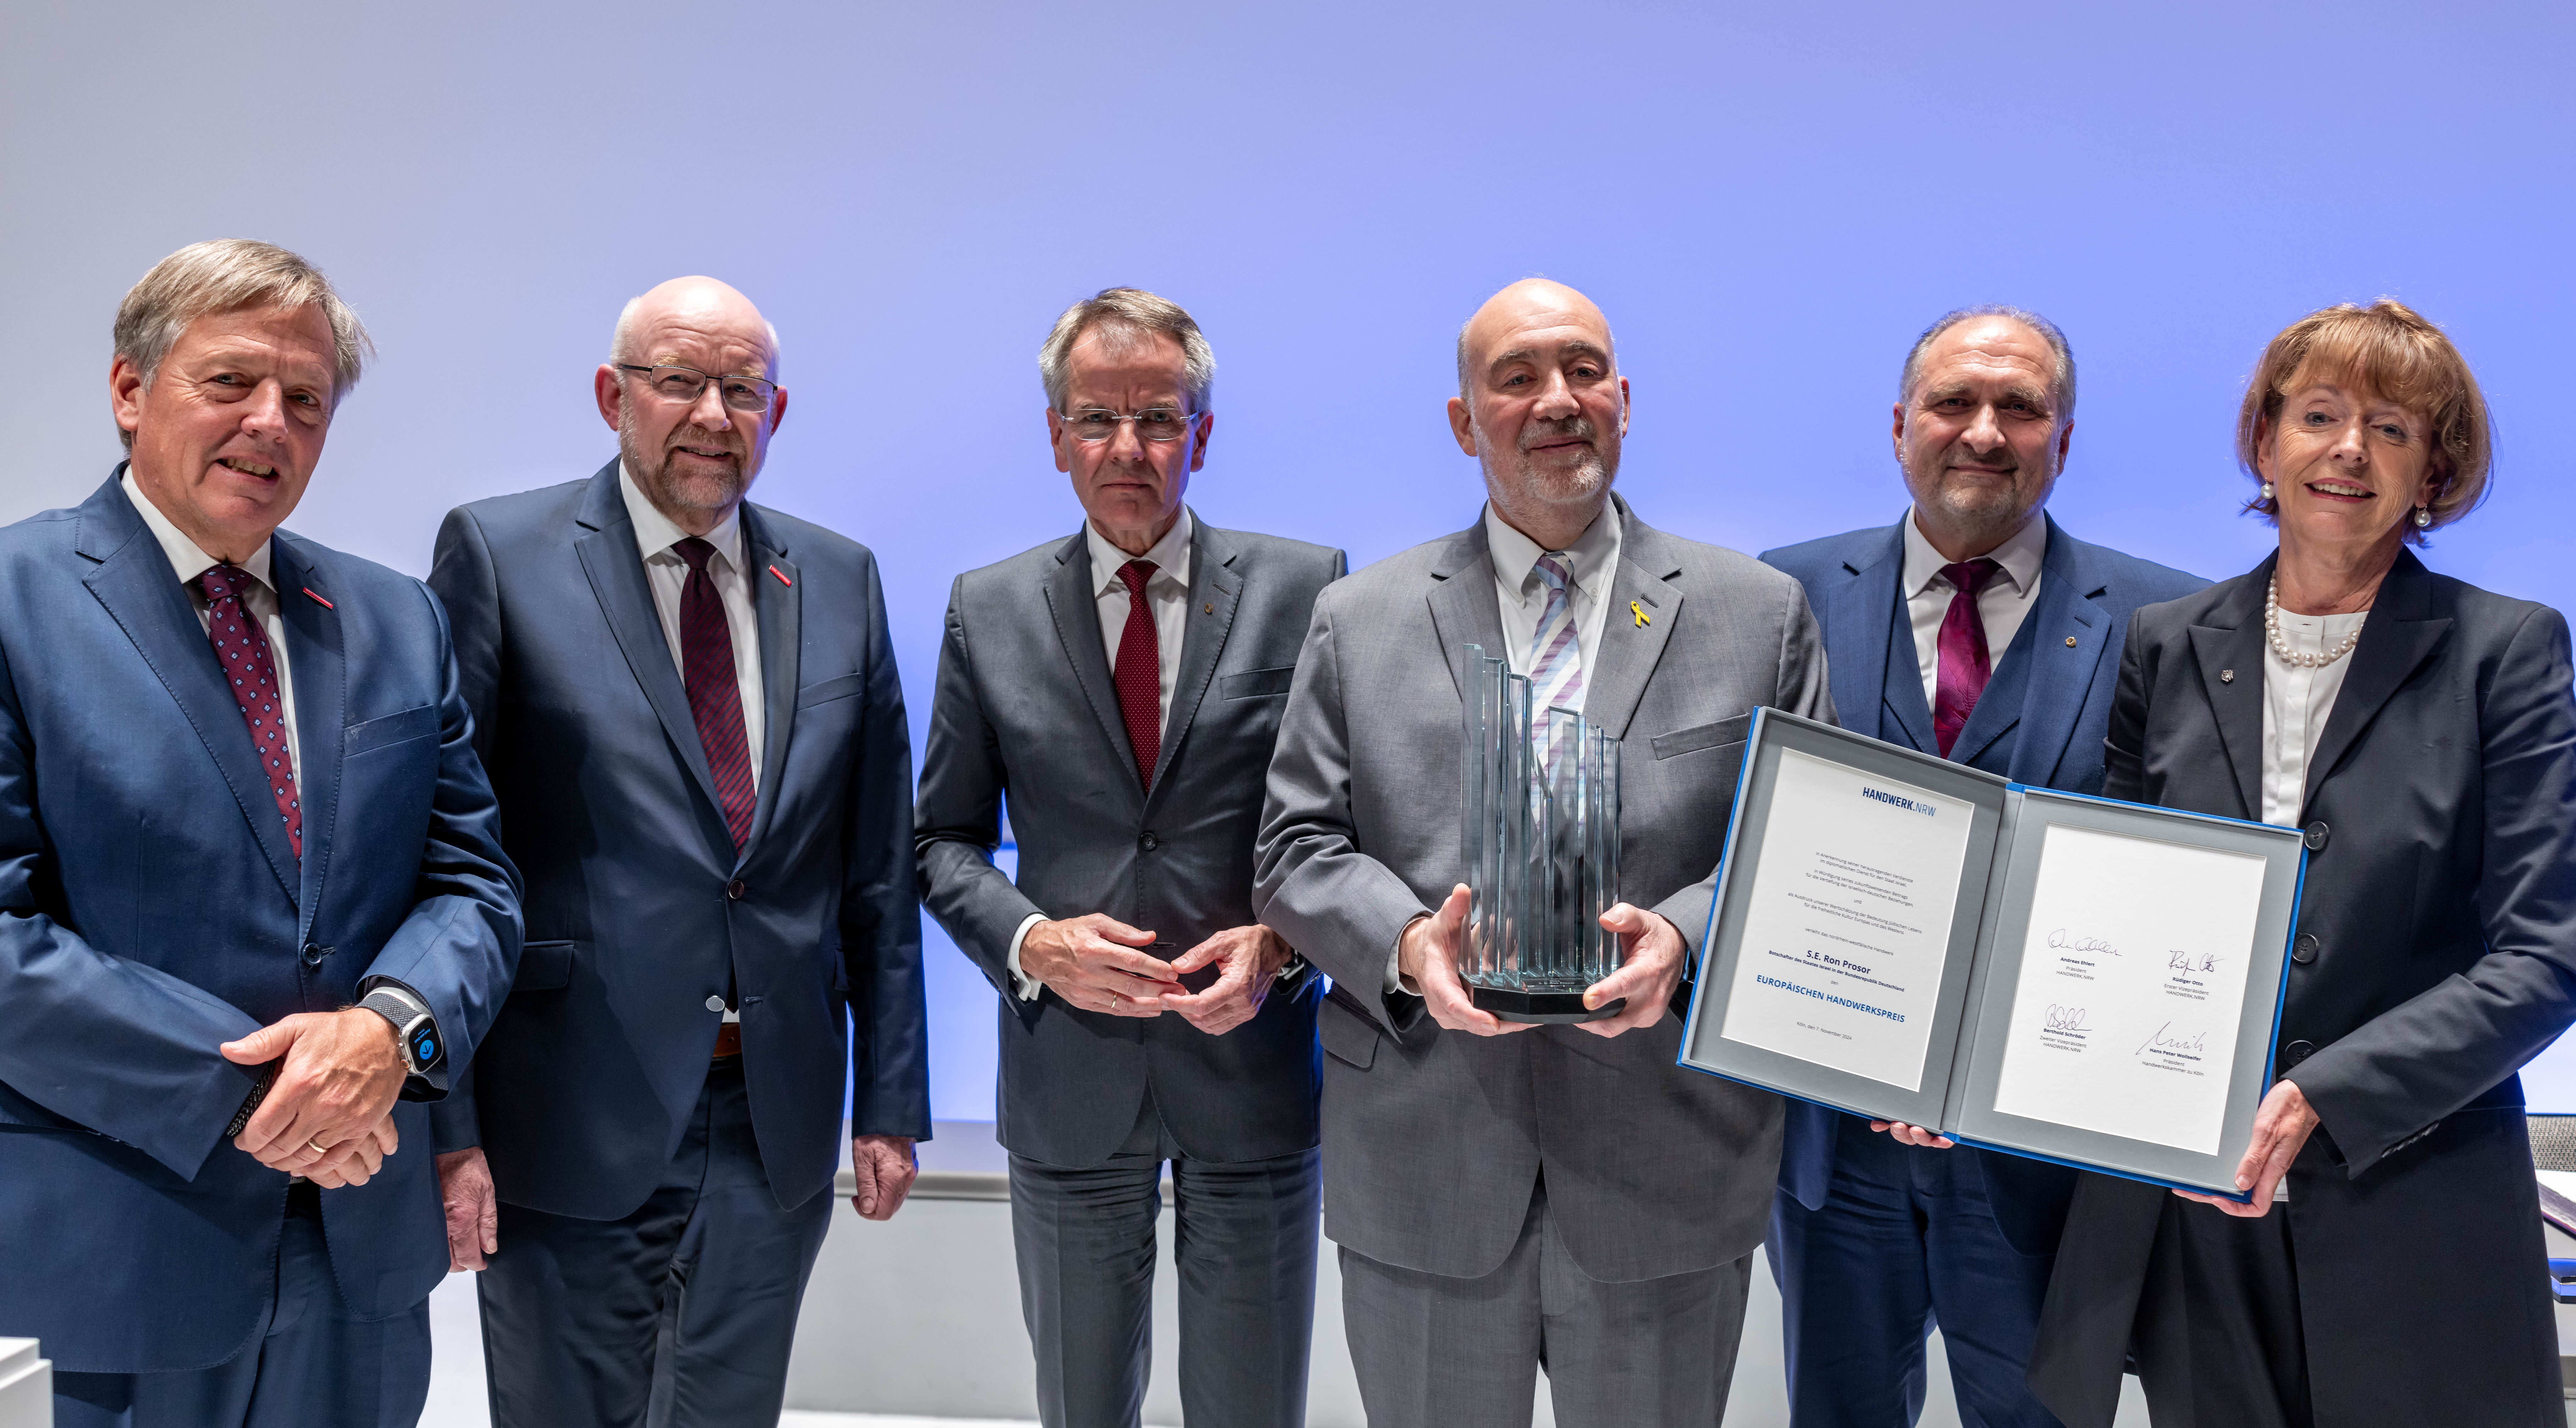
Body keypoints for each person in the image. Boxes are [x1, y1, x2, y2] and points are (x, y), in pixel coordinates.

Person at [1253, 278, 1835, 1427]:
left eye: (1582, 371)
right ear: (1466, 423)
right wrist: (1410, 943)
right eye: (1516, 378)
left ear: (1625, 398)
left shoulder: (1759, 611)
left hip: (1667, 1158)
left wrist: (1685, 934)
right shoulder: (1359, 617)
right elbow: (1296, 849)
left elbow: (1802, 851)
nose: (1556, 400)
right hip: (1427, 1152)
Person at [0, 239, 522, 1427]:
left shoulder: (395, 616)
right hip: (122, 1245)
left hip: (361, 1259)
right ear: (131, 391)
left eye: (305, 399)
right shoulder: (15, 598)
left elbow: (474, 885)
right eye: (229, 383)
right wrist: (269, 1094)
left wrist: (390, 1030)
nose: (268, 424)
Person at [2026, 300, 2575, 1427]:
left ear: (2435, 471)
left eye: (2393, 429)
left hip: (2411, 1189)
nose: (2348, 451)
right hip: (2196, 1198)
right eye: (2319, 415)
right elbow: (2113, 898)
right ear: (2265, 443)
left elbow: (2546, 955)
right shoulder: (2168, 643)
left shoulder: (2507, 651)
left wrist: (2327, 1093)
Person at [425, 277, 929, 1427]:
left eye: (741, 390)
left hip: (777, 1116)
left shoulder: (841, 576)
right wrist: (445, 1128)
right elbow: (442, 850)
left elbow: (876, 873)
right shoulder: (499, 554)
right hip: (568, 1110)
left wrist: (891, 1098)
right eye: (679, 382)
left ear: (777, 412)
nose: (712, 412)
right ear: (614, 396)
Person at [1758, 307, 2201, 1427]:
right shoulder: (1779, 595)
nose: (1986, 433)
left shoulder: (2168, 618)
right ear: (1901, 425)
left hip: (2041, 1158)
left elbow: (2170, 885)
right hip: (1830, 1148)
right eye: (1955, 403)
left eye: (2022, 407)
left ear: (2066, 437)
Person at [917, 287, 1344, 1428]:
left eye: (1157, 419)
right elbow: (940, 842)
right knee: (1081, 1408)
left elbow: (1350, 826)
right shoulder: (988, 607)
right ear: (1055, 435)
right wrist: (1031, 941)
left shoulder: (1312, 591)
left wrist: (1287, 942)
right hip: (1071, 1077)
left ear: (1203, 434)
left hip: (1254, 1066)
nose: (1127, 448)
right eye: (1097, 419)